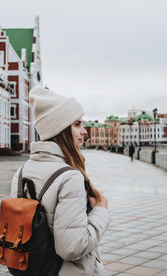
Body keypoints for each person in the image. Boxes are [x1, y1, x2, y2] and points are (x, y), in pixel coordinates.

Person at [10, 86, 111, 275]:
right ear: (61, 129)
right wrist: (100, 213)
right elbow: (72, 248)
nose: (84, 132)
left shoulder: (22, 172)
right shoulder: (70, 177)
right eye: (77, 124)